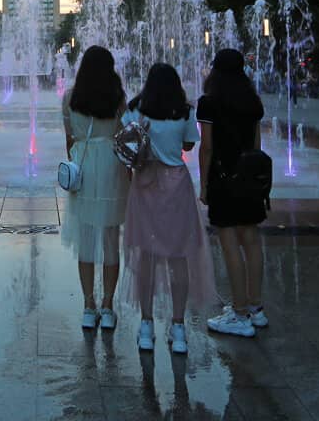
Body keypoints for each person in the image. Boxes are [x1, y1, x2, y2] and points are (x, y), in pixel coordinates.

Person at [120, 63, 214, 354]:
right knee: (178, 257)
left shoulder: (136, 109)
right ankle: (178, 327)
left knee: (145, 257)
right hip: (176, 186)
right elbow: (188, 146)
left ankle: (146, 325)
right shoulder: (185, 112)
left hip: (145, 184)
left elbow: (126, 143)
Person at [197, 48, 267, 338]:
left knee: (229, 241)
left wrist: (203, 183)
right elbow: (257, 144)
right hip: (249, 178)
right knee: (250, 240)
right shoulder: (252, 101)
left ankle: (239, 313)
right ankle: (255, 308)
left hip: (223, 179)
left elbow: (207, 146)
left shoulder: (209, 102)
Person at [62, 45, 129, 331]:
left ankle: (88, 305)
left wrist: (78, 159)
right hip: (113, 169)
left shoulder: (70, 98)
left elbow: (70, 140)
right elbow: (124, 136)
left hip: (84, 167)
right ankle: (108, 306)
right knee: (111, 239)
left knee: (86, 239)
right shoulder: (117, 99)